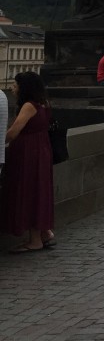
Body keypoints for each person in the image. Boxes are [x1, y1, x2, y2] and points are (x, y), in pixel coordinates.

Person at [1, 72, 56, 253]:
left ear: (24, 88)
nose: (12, 88)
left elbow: (13, 132)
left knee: (28, 191)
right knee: (39, 190)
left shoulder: (28, 106)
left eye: (16, 85)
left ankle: (34, 241)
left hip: (28, 153)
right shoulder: (44, 103)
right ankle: (45, 233)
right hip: (41, 149)